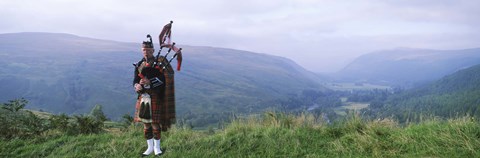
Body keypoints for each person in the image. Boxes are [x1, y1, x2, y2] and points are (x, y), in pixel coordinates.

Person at [133, 37, 176, 156]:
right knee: (146, 123)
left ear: (152, 50)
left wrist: (150, 82)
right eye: (144, 49)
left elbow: (165, 78)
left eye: (148, 49)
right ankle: (149, 148)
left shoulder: (160, 62)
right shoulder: (139, 64)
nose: (146, 51)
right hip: (143, 97)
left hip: (155, 96)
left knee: (155, 123)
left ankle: (157, 148)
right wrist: (137, 86)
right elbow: (135, 80)